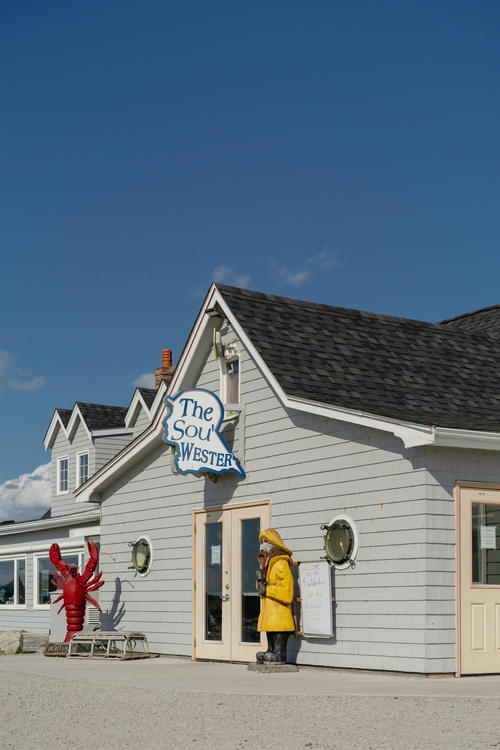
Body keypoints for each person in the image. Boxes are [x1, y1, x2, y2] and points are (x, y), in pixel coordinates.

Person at [256, 528, 295, 663]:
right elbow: (262, 590)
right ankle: (270, 650)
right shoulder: (267, 564)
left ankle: (279, 654)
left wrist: (267, 589)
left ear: (274, 543)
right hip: (270, 610)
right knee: (270, 629)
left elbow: (287, 591)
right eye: (260, 542)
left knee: (278, 631)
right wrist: (260, 581)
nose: (262, 546)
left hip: (279, 611)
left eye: (265, 542)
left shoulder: (281, 564)